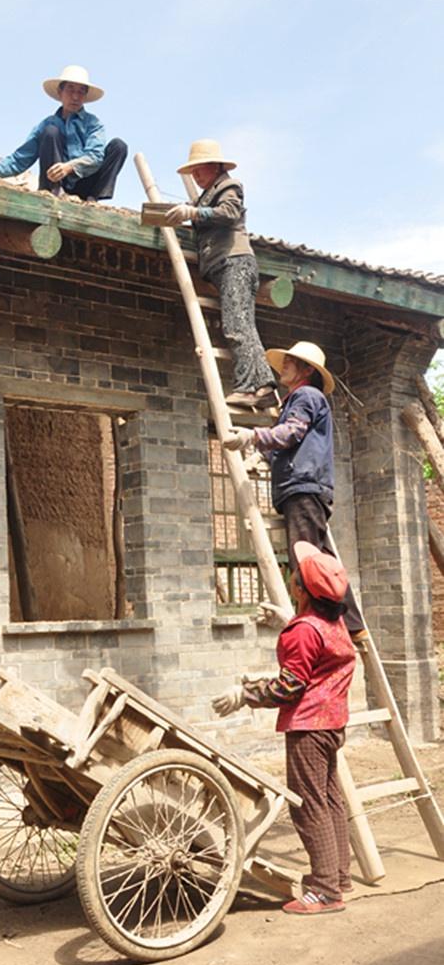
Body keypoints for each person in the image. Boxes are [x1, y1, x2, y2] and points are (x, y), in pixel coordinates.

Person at [213, 542, 356, 914]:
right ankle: (339, 875)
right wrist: (287, 619)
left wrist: (245, 695)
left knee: (308, 804)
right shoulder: (334, 623)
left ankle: (325, 890)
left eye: (297, 575)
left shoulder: (303, 632)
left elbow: (288, 687)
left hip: (309, 727)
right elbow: (317, 659)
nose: (293, 575)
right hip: (333, 724)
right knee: (330, 798)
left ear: (300, 590)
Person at [222, 340, 367, 640]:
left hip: (303, 488)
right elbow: (291, 443)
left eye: (290, 362)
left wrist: (252, 436)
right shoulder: (297, 400)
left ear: (306, 370)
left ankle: (320, 624)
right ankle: (353, 625)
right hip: (303, 486)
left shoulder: (305, 395)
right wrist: (262, 457)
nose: (283, 366)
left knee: (307, 562)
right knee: (320, 558)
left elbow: (292, 433)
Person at [165, 139, 276, 409]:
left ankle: (249, 388)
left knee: (237, 326)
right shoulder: (206, 195)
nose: (196, 176)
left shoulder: (229, 186)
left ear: (213, 166)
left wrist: (194, 211)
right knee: (243, 325)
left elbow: (228, 212)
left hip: (234, 262)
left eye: (199, 170)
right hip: (223, 265)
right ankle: (264, 387)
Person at [0, 65, 127, 201]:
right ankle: (54, 191)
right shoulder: (47, 124)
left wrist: (70, 167)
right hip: (55, 181)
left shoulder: (93, 124)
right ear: (60, 92)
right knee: (50, 131)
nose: (75, 96)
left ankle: (93, 200)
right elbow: (21, 157)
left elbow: (95, 156)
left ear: (85, 96)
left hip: (85, 185)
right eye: (70, 89)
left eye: (80, 92)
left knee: (118, 146)